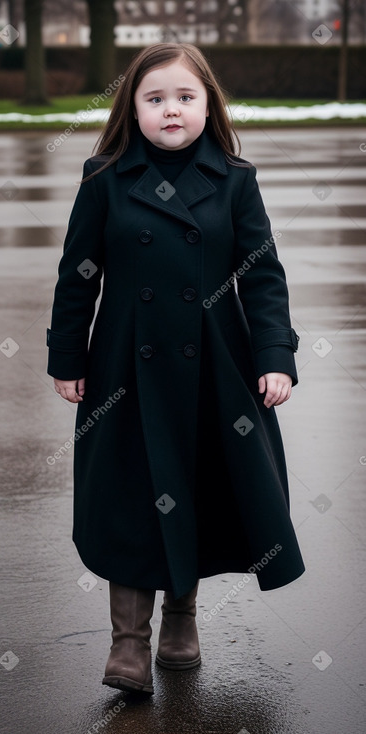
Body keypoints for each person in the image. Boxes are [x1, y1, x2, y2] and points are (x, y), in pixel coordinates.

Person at [46, 42, 305, 696]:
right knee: (128, 495)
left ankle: (181, 622)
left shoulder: (234, 180)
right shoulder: (104, 178)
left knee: (194, 487)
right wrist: (67, 357)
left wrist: (275, 358)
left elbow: (264, 278)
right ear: (132, 108)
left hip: (214, 369)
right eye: (154, 98)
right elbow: (78, 278)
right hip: (122, 370)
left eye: (185, 97)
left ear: (207, 105)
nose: (170, 110)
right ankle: (127, 643)